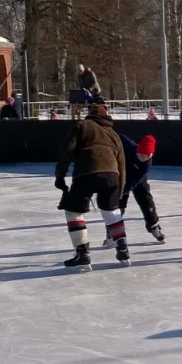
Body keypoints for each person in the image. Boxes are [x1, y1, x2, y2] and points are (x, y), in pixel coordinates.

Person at [55, 103, 131, 269]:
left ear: (90, 114)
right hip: (112, 175)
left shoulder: (81, 125)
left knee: (74, 212)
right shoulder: (113, 134)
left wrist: (60, 176)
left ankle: (82, 253)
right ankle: (123, 248)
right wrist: (121, 190)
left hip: (86, 173)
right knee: (112, 212)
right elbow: (122, 163)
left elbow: (66, 150)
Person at [109, 133, 164, 245]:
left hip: (137, 180)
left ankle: (154, 226)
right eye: (140, 155)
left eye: (147, 156)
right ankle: (111, 233)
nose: (143, 158)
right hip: (121, 176)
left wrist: (124, 190)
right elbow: (118, 135)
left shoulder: (147, 163)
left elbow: (135, 181)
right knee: (118, 205)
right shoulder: (129, 146)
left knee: (146, 200)